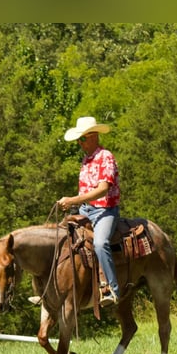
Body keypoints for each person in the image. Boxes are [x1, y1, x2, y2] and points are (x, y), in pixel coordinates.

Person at [58, 116, 121, 308]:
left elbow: (103, 189)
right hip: (85, 210)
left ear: (93, 136)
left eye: (83, 138)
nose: (80, 142)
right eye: (79, 139)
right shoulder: (86, 160)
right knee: (59, 239)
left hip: (105, 210)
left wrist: (72, 200)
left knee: (101, 243)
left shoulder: (106, 157)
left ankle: (112, 289)